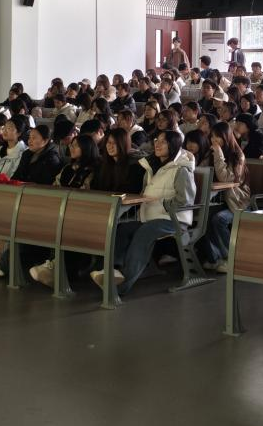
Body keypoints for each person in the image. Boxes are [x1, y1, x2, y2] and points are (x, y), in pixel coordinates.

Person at [94, 130, 195, 297]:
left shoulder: (181, 169)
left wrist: (162, 203)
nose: (157, 144)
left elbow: (185, 201)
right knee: (123, 229)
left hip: (173, 219)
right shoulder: (152, 166)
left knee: (144, 232)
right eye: (156, 140)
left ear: (173, 146)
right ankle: (113, 271)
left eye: (163, 142)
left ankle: (122, 284)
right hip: (150, 216)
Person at [200, 122, 250, 270]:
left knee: (219, 219)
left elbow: (226, 179)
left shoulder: (238, 156)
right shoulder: (211, 152)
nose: (214, 140)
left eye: (218, 137)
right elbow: (200, 171)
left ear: (226, 137)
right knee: (203, 217)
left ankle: (233, 258)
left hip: (237, 201)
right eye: (212, 136)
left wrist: (219, 155)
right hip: (219, 199)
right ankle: (216, 258)